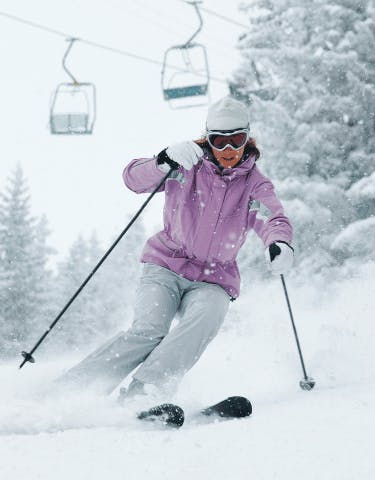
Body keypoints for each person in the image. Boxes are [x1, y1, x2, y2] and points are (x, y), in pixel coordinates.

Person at [60, 96, 294, 402]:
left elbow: (271, 216)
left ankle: (145, 391)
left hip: (215, 277)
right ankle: (74, 390)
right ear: (207, 139)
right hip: (166, 264)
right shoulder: (187, 165)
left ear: (247, 139)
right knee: (149, 330)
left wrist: (279, 242)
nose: (228, 150)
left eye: (236, 140)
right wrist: (162, 161)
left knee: (206, 319)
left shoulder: (254, 184)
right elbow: (133, 180)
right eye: (219, 141)